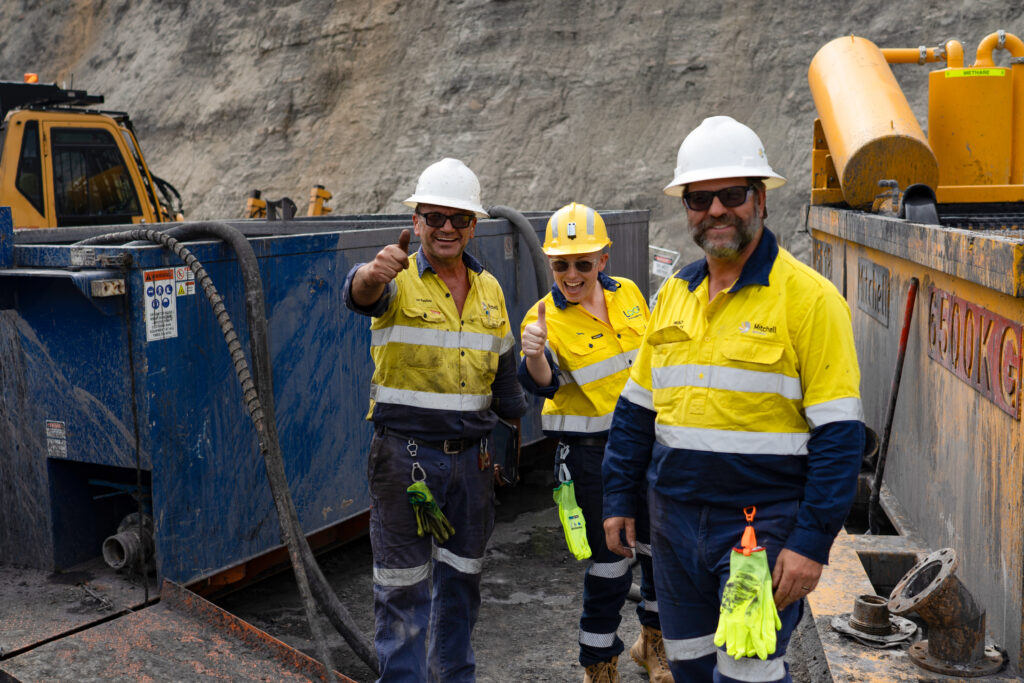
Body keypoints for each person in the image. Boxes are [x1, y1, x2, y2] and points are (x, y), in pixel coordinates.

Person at [602, 116, 865, 683]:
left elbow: (840, 437)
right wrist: (619, 495)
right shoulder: (674, 294)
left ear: (761, 199)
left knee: (749, 678)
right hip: (673, 528)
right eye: (700, 198)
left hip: (757, 533)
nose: (716, 210)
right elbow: (636, 411)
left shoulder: (810, 300)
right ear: (687, 208)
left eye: (732, 194)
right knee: (691, 669)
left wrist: (811, 543)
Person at [343, 157, 527, 682]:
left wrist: (514, 440)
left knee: (462, 584)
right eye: (435, 217)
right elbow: (361, 293)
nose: (447, 227)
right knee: (402, 590)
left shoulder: (489, 290)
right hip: (406, 463)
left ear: (473, 226)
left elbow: (505, 380)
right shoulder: (396, 277)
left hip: (472, 466)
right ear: (417, 220)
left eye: (459, 218)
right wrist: (370, 274)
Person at [518, 203, 670, 683]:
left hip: (650, 447)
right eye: (561, 264)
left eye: (583, 263)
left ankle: (653, 644)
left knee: (659, 555)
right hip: (593, 459)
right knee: (611, 564)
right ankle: (599, 665)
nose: (572, 274)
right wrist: (534, 353)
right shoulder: (542, 318)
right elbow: (542, 381)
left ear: (603, 258)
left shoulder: (628, 294)